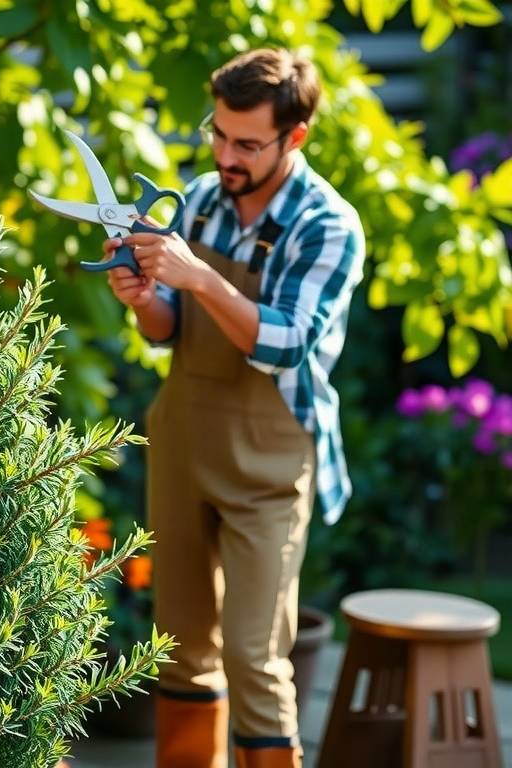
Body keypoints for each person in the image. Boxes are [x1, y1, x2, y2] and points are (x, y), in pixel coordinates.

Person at [103, 49, 365, 768]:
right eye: (218, 134)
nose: (225, 156)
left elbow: (286, 343)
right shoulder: (199, 200)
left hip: (270, 463)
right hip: (185, 444)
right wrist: (144, 300)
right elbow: (168, 331)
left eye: (247, 144)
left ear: (294, 137)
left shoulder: (327, 224)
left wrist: (200, 278)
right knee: (180, 646)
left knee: (254, 655)